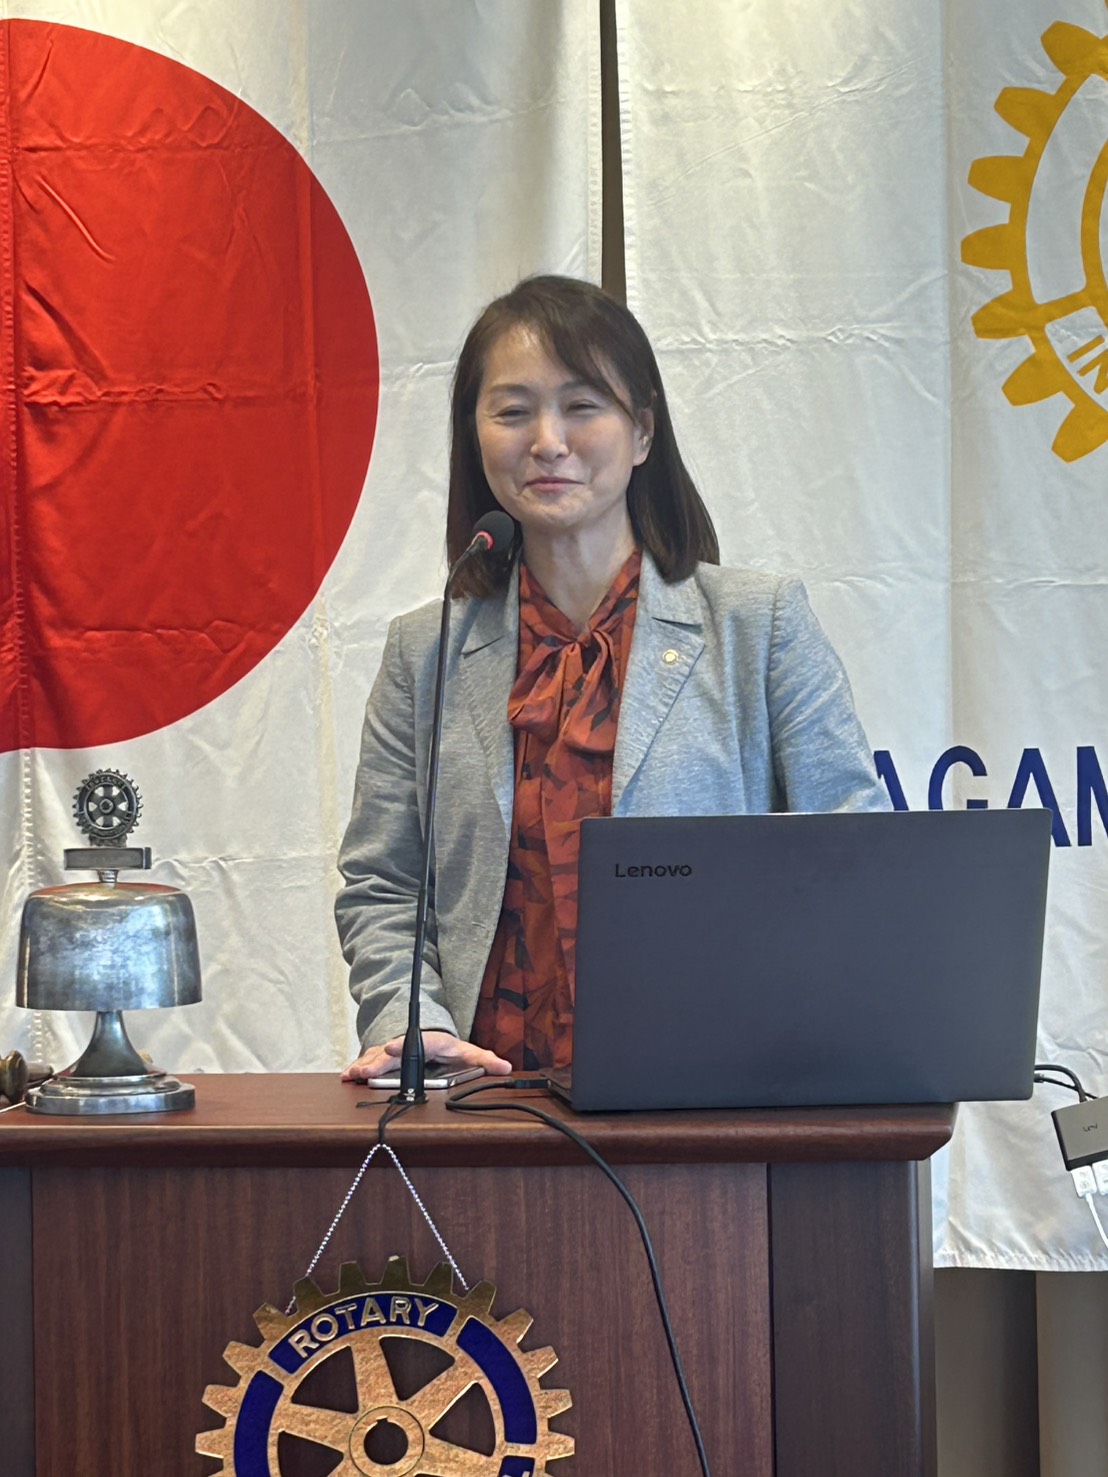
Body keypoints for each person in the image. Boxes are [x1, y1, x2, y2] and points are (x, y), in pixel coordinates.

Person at [336, 275, 888, 1082]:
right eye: (512, 411)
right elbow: (383, 884)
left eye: (583, 405)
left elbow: (853, 857)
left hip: (716, 1089)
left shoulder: (758, 624)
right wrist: (411, 1028)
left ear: (643, 431)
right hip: (485, 1098)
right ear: (474, 435)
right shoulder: (424, 652)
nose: (548, 441)